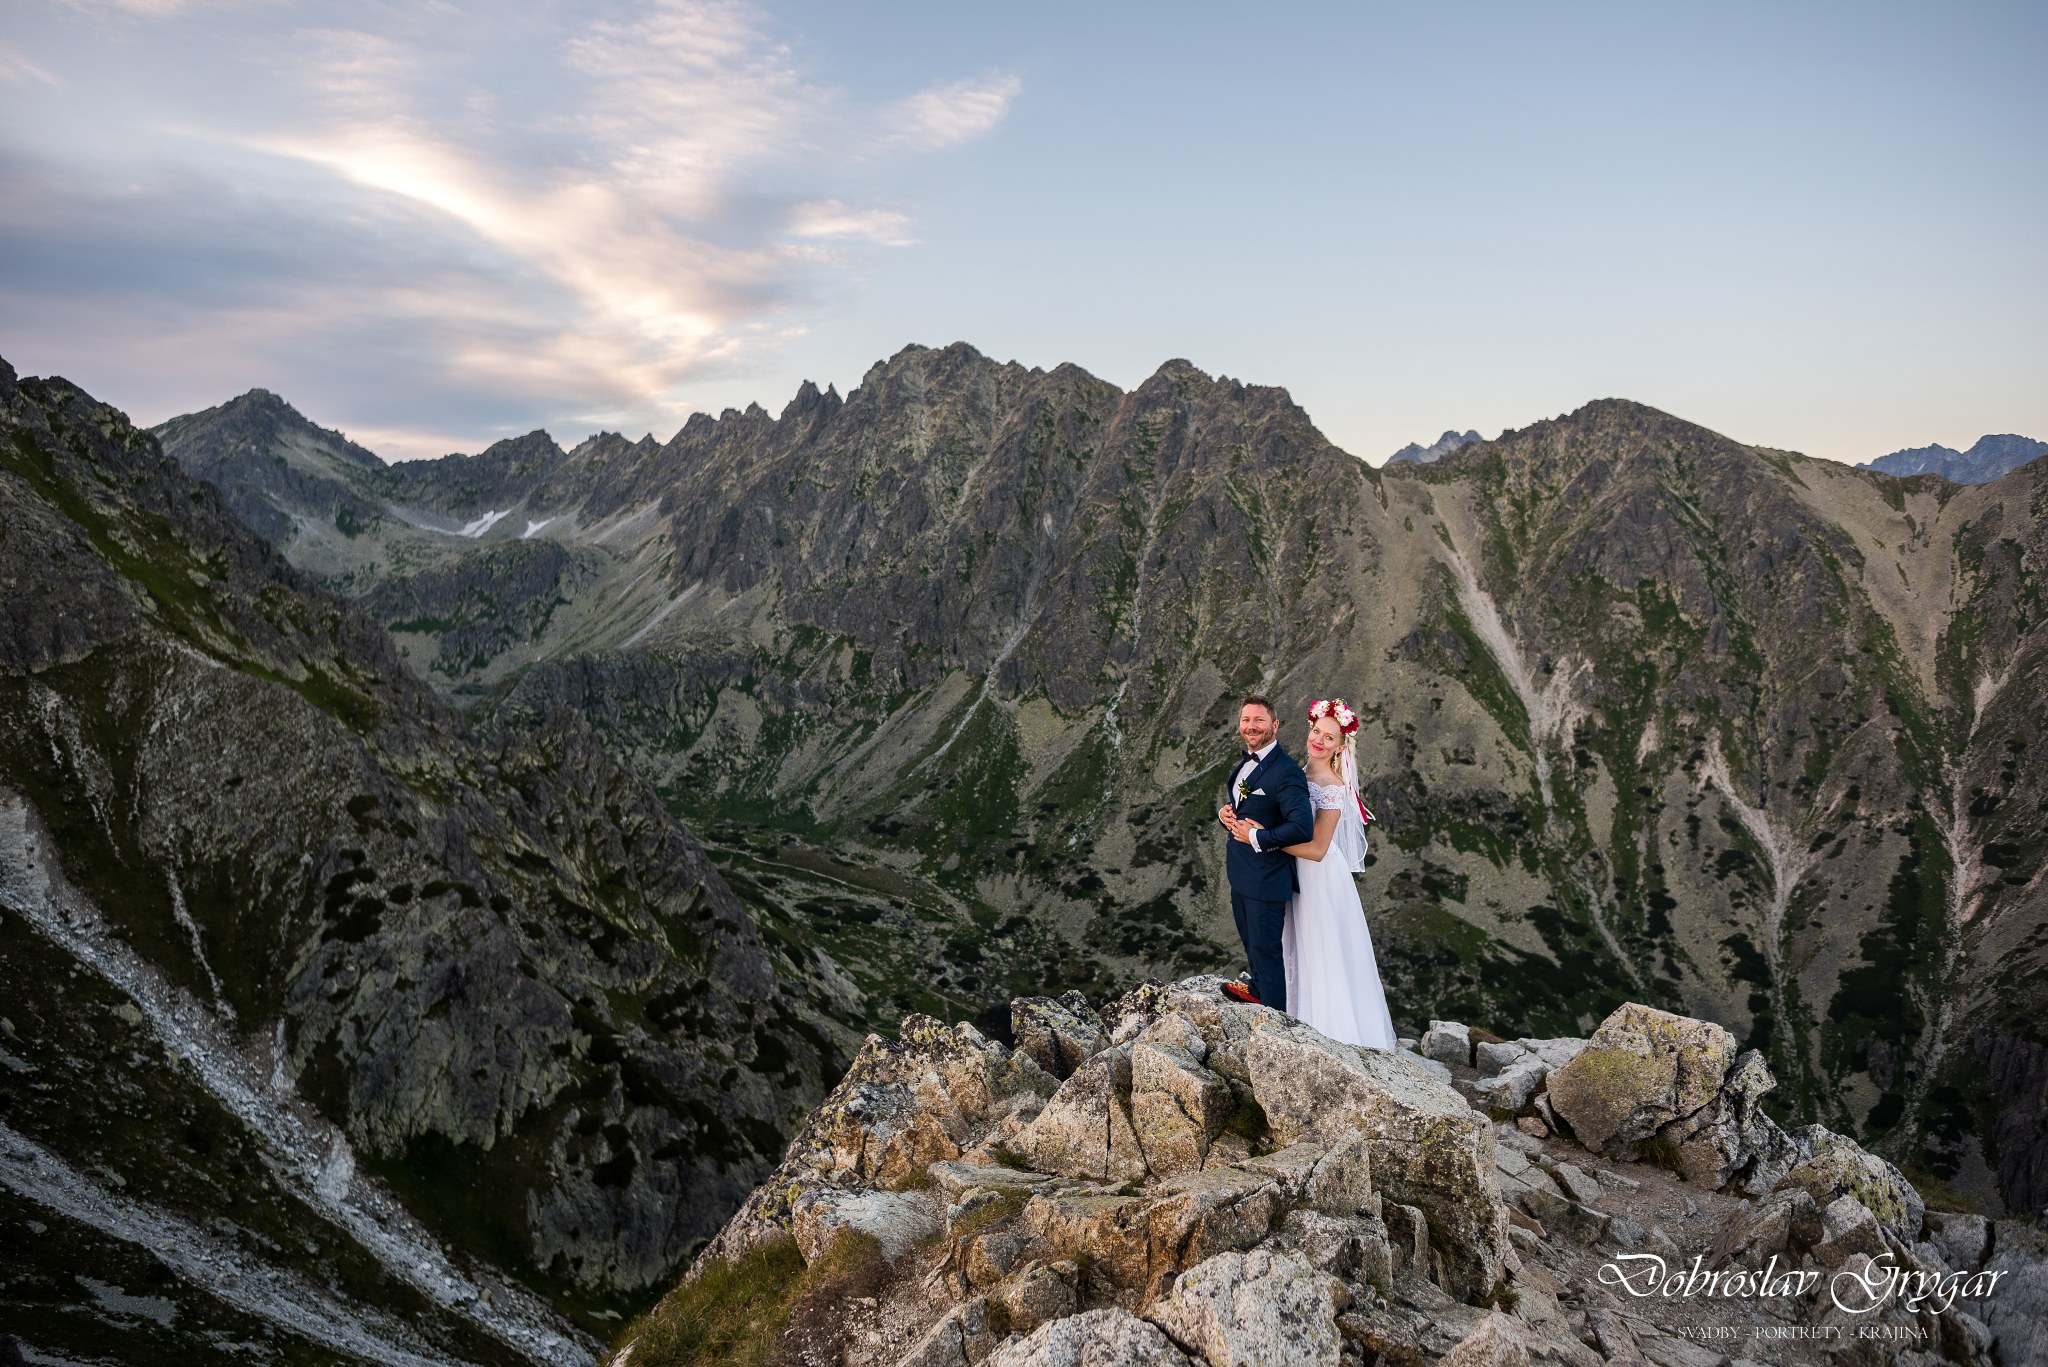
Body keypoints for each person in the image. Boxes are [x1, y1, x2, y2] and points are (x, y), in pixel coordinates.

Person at [1231, 697, 1396, 1050]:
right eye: (1317, 732)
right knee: (1291, 943)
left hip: (1318, 873)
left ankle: (1327, 1028)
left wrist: (1259, 838)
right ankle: (1286, 1005)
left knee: (1318, 949)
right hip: (1289, 870)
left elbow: (1318, 848)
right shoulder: (1296, 772)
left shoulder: (1333, 786)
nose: (1319, 741)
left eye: (1330, 738)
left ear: (1340, 747)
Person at [1216, 694, 1313, 1011]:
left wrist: (1256, 835)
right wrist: (1226, 817)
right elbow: (1248, 808)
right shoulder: (1246, 763)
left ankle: (1274, 1021)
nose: (1251, 726)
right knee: (1251, 943)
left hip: (1267, 877)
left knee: (1266, 949)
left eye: (1259, 720)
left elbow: (1301, 827)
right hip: (1242, 872)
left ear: (1275, 725)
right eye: (1246, 720)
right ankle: (1256, 989)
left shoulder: (1287, 772)